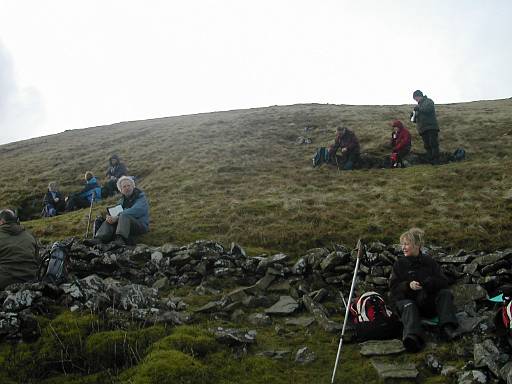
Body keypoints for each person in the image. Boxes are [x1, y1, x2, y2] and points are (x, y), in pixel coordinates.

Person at [389, 228, 459, 352]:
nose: (403, 247)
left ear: (417, 245)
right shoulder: (399, 264)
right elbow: (394, 288)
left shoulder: (430, 262)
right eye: (402, 244)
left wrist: (429, 283)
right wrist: (408, 285)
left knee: (445, 293)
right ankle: (412, 338)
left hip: (426, 302)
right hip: (407, 302)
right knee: (409, 305)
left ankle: (447, 329)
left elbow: (443, 282)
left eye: (406, 244)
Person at [94, 176, 149, 246]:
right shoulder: (121, 201)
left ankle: (120, 239)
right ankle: (99, 239)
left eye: (129, 185)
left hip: (140, 225)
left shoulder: (141, 197)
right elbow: (117, 213)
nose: (127, 188)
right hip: (125, 225)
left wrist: (118, 217)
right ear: (121, 190)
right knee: (110, 219)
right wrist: (111, 218)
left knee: (123, 215)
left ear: (133, 186)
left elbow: (137, 210)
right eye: (124, 187)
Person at [0, 209, 39, 290]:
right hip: (30, 280)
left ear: (2, 221)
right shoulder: (29, 236)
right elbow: (37, 259)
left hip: (4, 282)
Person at [412, 90, 440, 164]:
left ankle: (436, 160)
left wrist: (419, 109)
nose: (416, 100)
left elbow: (428, 110)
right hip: (423, 129)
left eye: (416, 98)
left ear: (419, 96)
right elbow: (416, 119)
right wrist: (413, 116)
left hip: (431, 127)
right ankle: (431, 160)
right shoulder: (418, 106)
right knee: (427, 145)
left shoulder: (428, 101)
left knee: (433, 144)